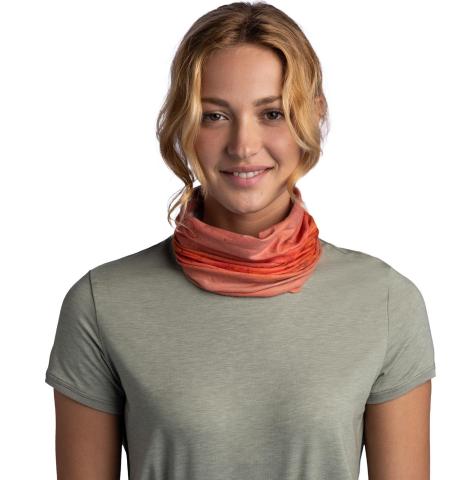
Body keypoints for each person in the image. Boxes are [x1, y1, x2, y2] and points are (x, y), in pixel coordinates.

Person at [45, 2, 436, 479]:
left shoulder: (386, 302)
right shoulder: (102, 303)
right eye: (214, 115)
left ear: (313, 116)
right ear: (183, 123)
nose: (243, 145)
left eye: (272, 113)